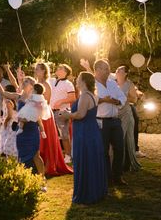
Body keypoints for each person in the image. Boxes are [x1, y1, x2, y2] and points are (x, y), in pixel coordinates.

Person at [59, 71, 107, 204]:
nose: (76, 81)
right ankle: (95, 190)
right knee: (91, 160)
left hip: (85, 132)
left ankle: (87, 193)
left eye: (78, 79)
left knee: (84, 160)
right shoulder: (92, 95)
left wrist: (66, 115)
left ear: (84, 81)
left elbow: (80, 114)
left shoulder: (85, 95)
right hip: (91, 131)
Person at [0, 70, 46, 183]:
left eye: (27, 81)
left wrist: (42, 129)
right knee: (21, 155)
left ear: (32, 86)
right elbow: (3, 93)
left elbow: (38, 117)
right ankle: (25, 179)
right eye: (24, 80)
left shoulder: (35, 99)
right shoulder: (18, 97)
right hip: (21, 131)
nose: (24, 81)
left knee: (36, 155)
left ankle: (42, 179)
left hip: (32, 130)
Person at [82, 58, 127, 186]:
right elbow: (88, 101)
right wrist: (103, 100)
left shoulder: (112, 83)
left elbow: (122, 97)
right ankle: (107, 178)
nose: (108, 71)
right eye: (105, 68)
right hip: (101, 121)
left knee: (119, 148)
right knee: (104, 150)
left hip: (115, 120)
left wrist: (117, 101)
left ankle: (117, 176)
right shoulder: (91, 84)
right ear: (97, 70)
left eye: (108, 68)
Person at [115, 65, 141, 173]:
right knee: (117, 138)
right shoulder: (113, 83)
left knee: (126, 138)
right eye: (117, 70)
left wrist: (123, 96)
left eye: (120, 70)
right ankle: (117, 163)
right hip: (115, 113)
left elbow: (134, 99)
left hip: (126, 113)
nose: (117, 71)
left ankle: (127, 163)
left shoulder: (129, 84)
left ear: (125, 73)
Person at [49, 63, 76, 163]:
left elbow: (72, 98)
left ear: (65, 72)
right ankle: (57, 156)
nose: (57, 69)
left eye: (60, 68)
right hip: (51, 111)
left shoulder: (68, 84)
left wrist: (60, 101)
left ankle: (68, 156)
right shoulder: (51, 81)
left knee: (64, 135)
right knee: (53, 135)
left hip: (62, 112)